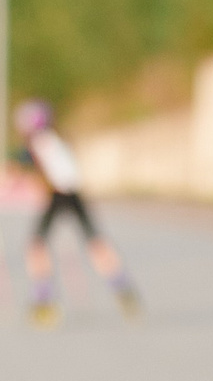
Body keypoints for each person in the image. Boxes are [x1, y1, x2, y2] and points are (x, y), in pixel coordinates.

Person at [11, 99, 139, 325]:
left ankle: (43, 299)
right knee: (94, 241)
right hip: (73, 194)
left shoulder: (40, 142)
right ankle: (121, 285)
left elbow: (18, 169)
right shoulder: (54, 140)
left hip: (59, 195)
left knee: (37, 245)